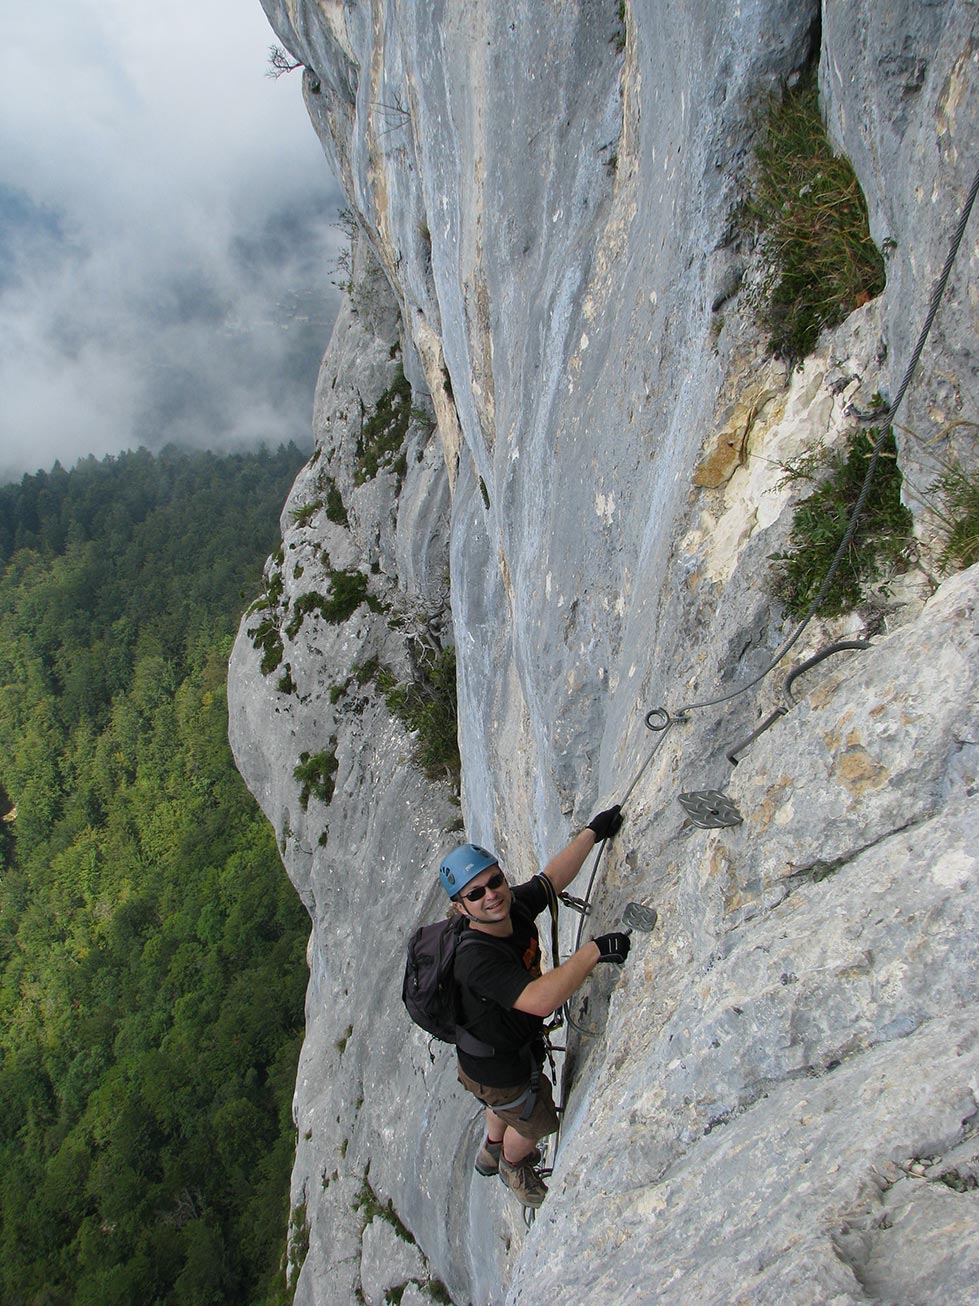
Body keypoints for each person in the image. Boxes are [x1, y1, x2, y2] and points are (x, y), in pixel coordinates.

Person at [438, 807, 632, 1209]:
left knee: (503, 1108)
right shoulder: (476, 959)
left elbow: (550, 881)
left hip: (485, 1058)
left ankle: (491, 1149)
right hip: (499, 1068)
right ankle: (512, 1163)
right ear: (461, 908)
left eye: (495, 881)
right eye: (475, 894)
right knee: (535, 1118)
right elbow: (542, 999)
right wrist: (594, 951)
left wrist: (592, 833)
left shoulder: (510, 908)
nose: (490, 895)